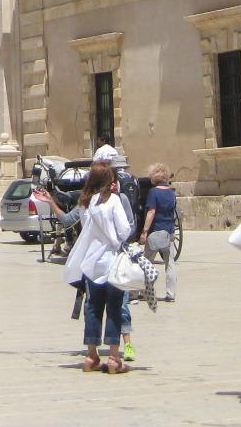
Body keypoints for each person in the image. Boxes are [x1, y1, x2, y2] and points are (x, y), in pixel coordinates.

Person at [62, 159, 131, 374]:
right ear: (109, 180)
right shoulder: (114, 202)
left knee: (93, 309)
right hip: (110, 261)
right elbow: (124, 230)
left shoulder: (90, 202)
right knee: (114, 308)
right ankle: (113, 358)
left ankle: (91, 356)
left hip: (92, 263)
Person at [141, 164, 179, 303]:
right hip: (168, 233)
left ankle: (147, 292)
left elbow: (151, 212)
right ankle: (171, 294)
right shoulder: (171, 192)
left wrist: (144, 231)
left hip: (155, 232)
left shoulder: (154, 192)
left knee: (147, 262)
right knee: (170, 263)